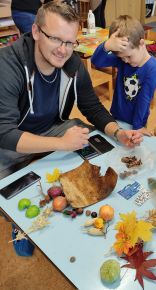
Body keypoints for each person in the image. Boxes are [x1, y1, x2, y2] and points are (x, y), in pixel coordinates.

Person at [0, 2, 142, 255]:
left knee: (91, 140)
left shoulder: (73, 64)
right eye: (55, 39)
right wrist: (60, 144)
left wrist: (118, 132)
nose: (63, 50)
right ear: (35, 31)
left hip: (52, 128)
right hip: (9, 142)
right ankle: (19, 225)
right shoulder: (7, 64)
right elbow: (4, 133)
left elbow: (92, 107)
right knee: (8, 190)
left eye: (70, 42)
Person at [91, 15, 156, 136]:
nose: (125, 61)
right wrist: (106, 45)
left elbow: (144, 99)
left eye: (129, 56)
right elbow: (96, 61)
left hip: (137, 122)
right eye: (121, 57)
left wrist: (138, 126)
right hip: (117, 116)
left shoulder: (152, 68)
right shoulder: (122, 58)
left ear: (141, 43)